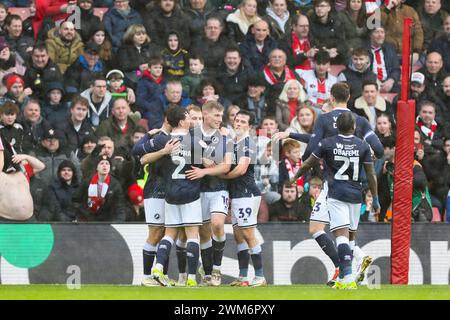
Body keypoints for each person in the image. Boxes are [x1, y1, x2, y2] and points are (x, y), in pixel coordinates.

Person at [299, 82, 384, 286]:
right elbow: (379, 150)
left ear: (331, 97)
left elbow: (313, 145)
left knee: (321, 228)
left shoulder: (325, 119)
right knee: (344, 231)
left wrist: (306, 160)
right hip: (355, 185)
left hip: (332, 184)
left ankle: (344, 270)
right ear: (350, 97)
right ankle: (353, 265)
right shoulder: (359, 121)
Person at [144, 106, 203, 287]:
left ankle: (158, 267)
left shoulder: (165, 142)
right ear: (181, 121)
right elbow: (210, 161)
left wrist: (162, 153)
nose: (190, 120)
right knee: (193, 235)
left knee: (169, 235)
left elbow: (144, 159)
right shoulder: (195, 141)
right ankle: (192, 279)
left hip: (170, 193)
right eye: (187, 117)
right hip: (190, 193)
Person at [220, 110, 267, 287]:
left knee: (248, 234)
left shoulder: (248, 143)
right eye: (236, 120)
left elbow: (240, 170)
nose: (238, 123)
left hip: (247, 194)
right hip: (237, 195)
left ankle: (260, 276)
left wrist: (220, 176)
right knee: (239, 236)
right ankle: (243, 277)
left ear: (250, 126)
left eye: (242, 121)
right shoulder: (234, 143)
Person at [132, 114, 177, 286]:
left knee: (166, 233)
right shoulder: (159, 138)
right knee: (156, 233)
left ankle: (161, 276)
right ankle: (146, 277)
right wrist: (149, 136)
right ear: (167, 120)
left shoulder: (176, 138)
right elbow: (138, 153)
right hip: (155, 190)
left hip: (169, 191)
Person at [0, 137, 45, 221]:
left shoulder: (23, 170)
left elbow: (41, 166)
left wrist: (26, 157)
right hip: (5, 220)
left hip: (29, 220)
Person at [73, 154, 128, 221]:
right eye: (101, 163)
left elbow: (119, 206)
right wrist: (84, 215)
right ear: (97, 167)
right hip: (88, 219)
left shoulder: (115, 184)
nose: (104, 165)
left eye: (107, 164)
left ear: (110, 167)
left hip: (107, 221)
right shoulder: (87, 182)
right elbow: (76, 200)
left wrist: (118, 221)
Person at [116, 24, 161, 88]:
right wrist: (138, 67)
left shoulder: (151, 47)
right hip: (132, 77)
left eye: (143, 34)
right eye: (138, 34)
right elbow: (123, 66)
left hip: (150, 75)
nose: (141, 37)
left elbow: (159, 60)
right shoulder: (124, 49)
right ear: (131, 36)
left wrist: (149, 65)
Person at [381, 0, 424, 64]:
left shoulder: (410, 11)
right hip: (388, 54)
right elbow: (375, 25)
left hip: (409, 53)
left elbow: (418, 32)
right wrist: (388, 8)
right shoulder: (380, 10)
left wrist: (416, 51)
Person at [309, 0, 349, 64]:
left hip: (335, 56)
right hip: (318, 56)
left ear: (329, 8)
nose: (319, 8)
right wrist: (325, 50)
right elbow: (312, 41)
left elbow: (342, 42)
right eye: (317, 6)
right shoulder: (311, 23)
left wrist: (336, 50)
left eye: (322, 6)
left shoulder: (337, 22)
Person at [368, 26, 401, 94]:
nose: (380, 35)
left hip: (388, 83)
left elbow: (396, 69)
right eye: (377, 32)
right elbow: (363, 70)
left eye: (382, 32)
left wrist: (390, 81)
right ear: (370, 35)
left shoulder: (390, 49)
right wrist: (375, 81)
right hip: (370, 84)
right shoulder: (364, 50)